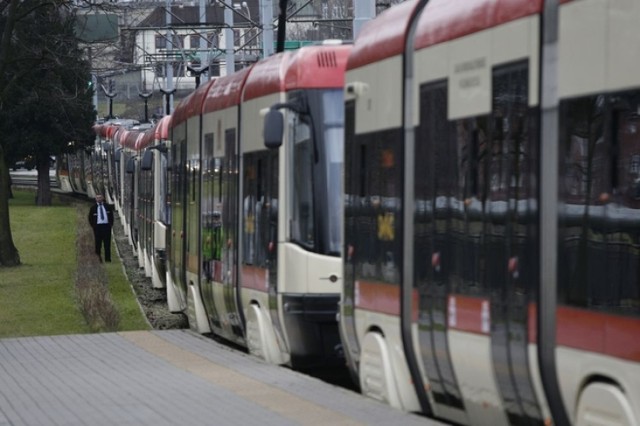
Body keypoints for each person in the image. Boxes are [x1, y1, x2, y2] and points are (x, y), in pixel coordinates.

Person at [88, 194, 114, 262]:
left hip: (106, 227)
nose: (99, 199)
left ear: (103, 198)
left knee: (107, 244)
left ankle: (108, 259)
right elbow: (90, 218)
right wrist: (93, 226)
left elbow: (111, 216)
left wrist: (110, 225)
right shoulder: (93, 208)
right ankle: (98, 259)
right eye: (97, 198)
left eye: (100, 197)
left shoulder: (107, 206)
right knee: (98, 244)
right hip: (97, 228)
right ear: (95, 199)